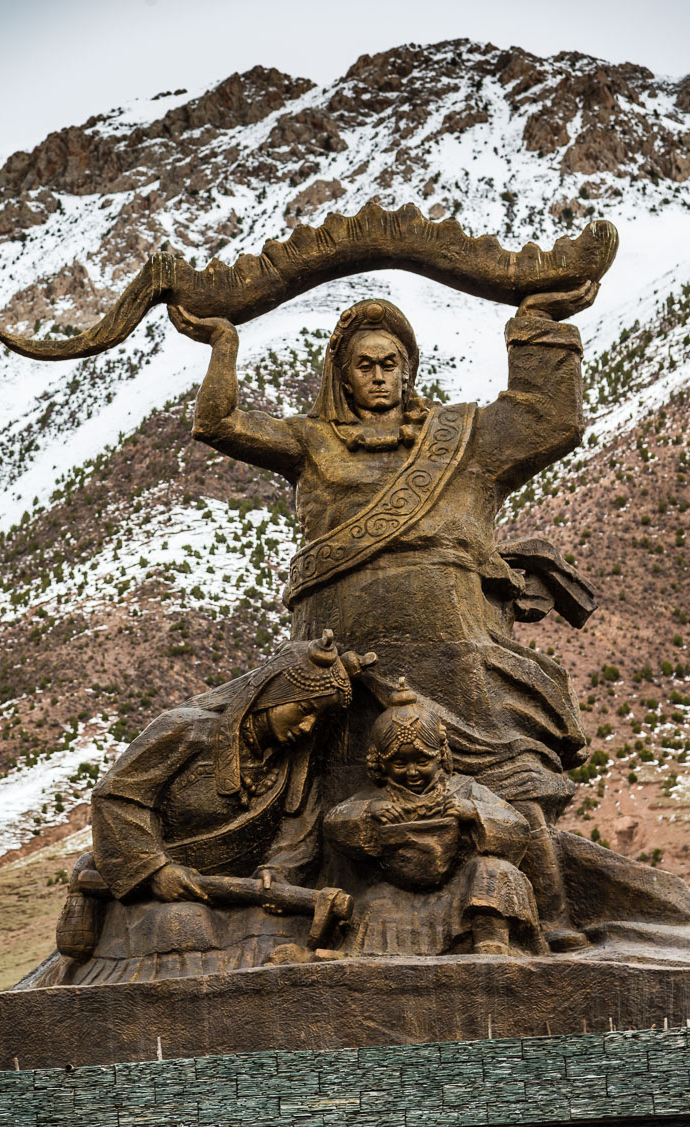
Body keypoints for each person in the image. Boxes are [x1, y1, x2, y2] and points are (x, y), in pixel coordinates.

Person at [171, 285, 596, 948]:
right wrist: (224, 345)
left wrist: (537, 325)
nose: (380, 375)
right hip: (342, 658)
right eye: (366, 364)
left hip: (457, 651)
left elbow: (550, 418)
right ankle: (327, 925)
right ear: (342, 375)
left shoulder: (459, 439)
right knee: (331, 807)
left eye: (392, 362)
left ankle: (545, 917)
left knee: (504, 789)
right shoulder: (313, 443)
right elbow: (219, 423)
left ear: (409, 369)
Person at [32, 632, 375, 986]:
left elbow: (297, 831)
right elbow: (119, 798)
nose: (307, 727)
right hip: (151, 887)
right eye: (304, 709)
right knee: (183, 923)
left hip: (230, 890)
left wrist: (277, 871)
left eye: (317, 719)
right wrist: (155, 870)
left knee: (280, 932)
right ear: (271, 692)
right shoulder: (187, 730)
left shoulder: (295, 764)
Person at [323, 680, 543, 957]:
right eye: (400, 764)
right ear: (381, 763)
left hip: (459, 889)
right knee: (370, 905)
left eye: (423, 761)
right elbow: (335, 822)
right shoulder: (377, 798)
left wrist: (473, 812)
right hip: (400, 893)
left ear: (440, 755)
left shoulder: (465, 789)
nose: (412, 772)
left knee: (493, 872)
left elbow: (519, 828)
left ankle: (490, 941)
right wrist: (370, 814)